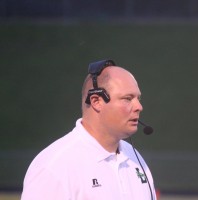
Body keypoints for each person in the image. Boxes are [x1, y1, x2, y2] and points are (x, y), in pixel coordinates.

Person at [21, 59, 156, 200]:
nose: (138, 107)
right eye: (127, 98)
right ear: (96, 101)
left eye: (138, 98)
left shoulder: (136, 159)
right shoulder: (54, 166)